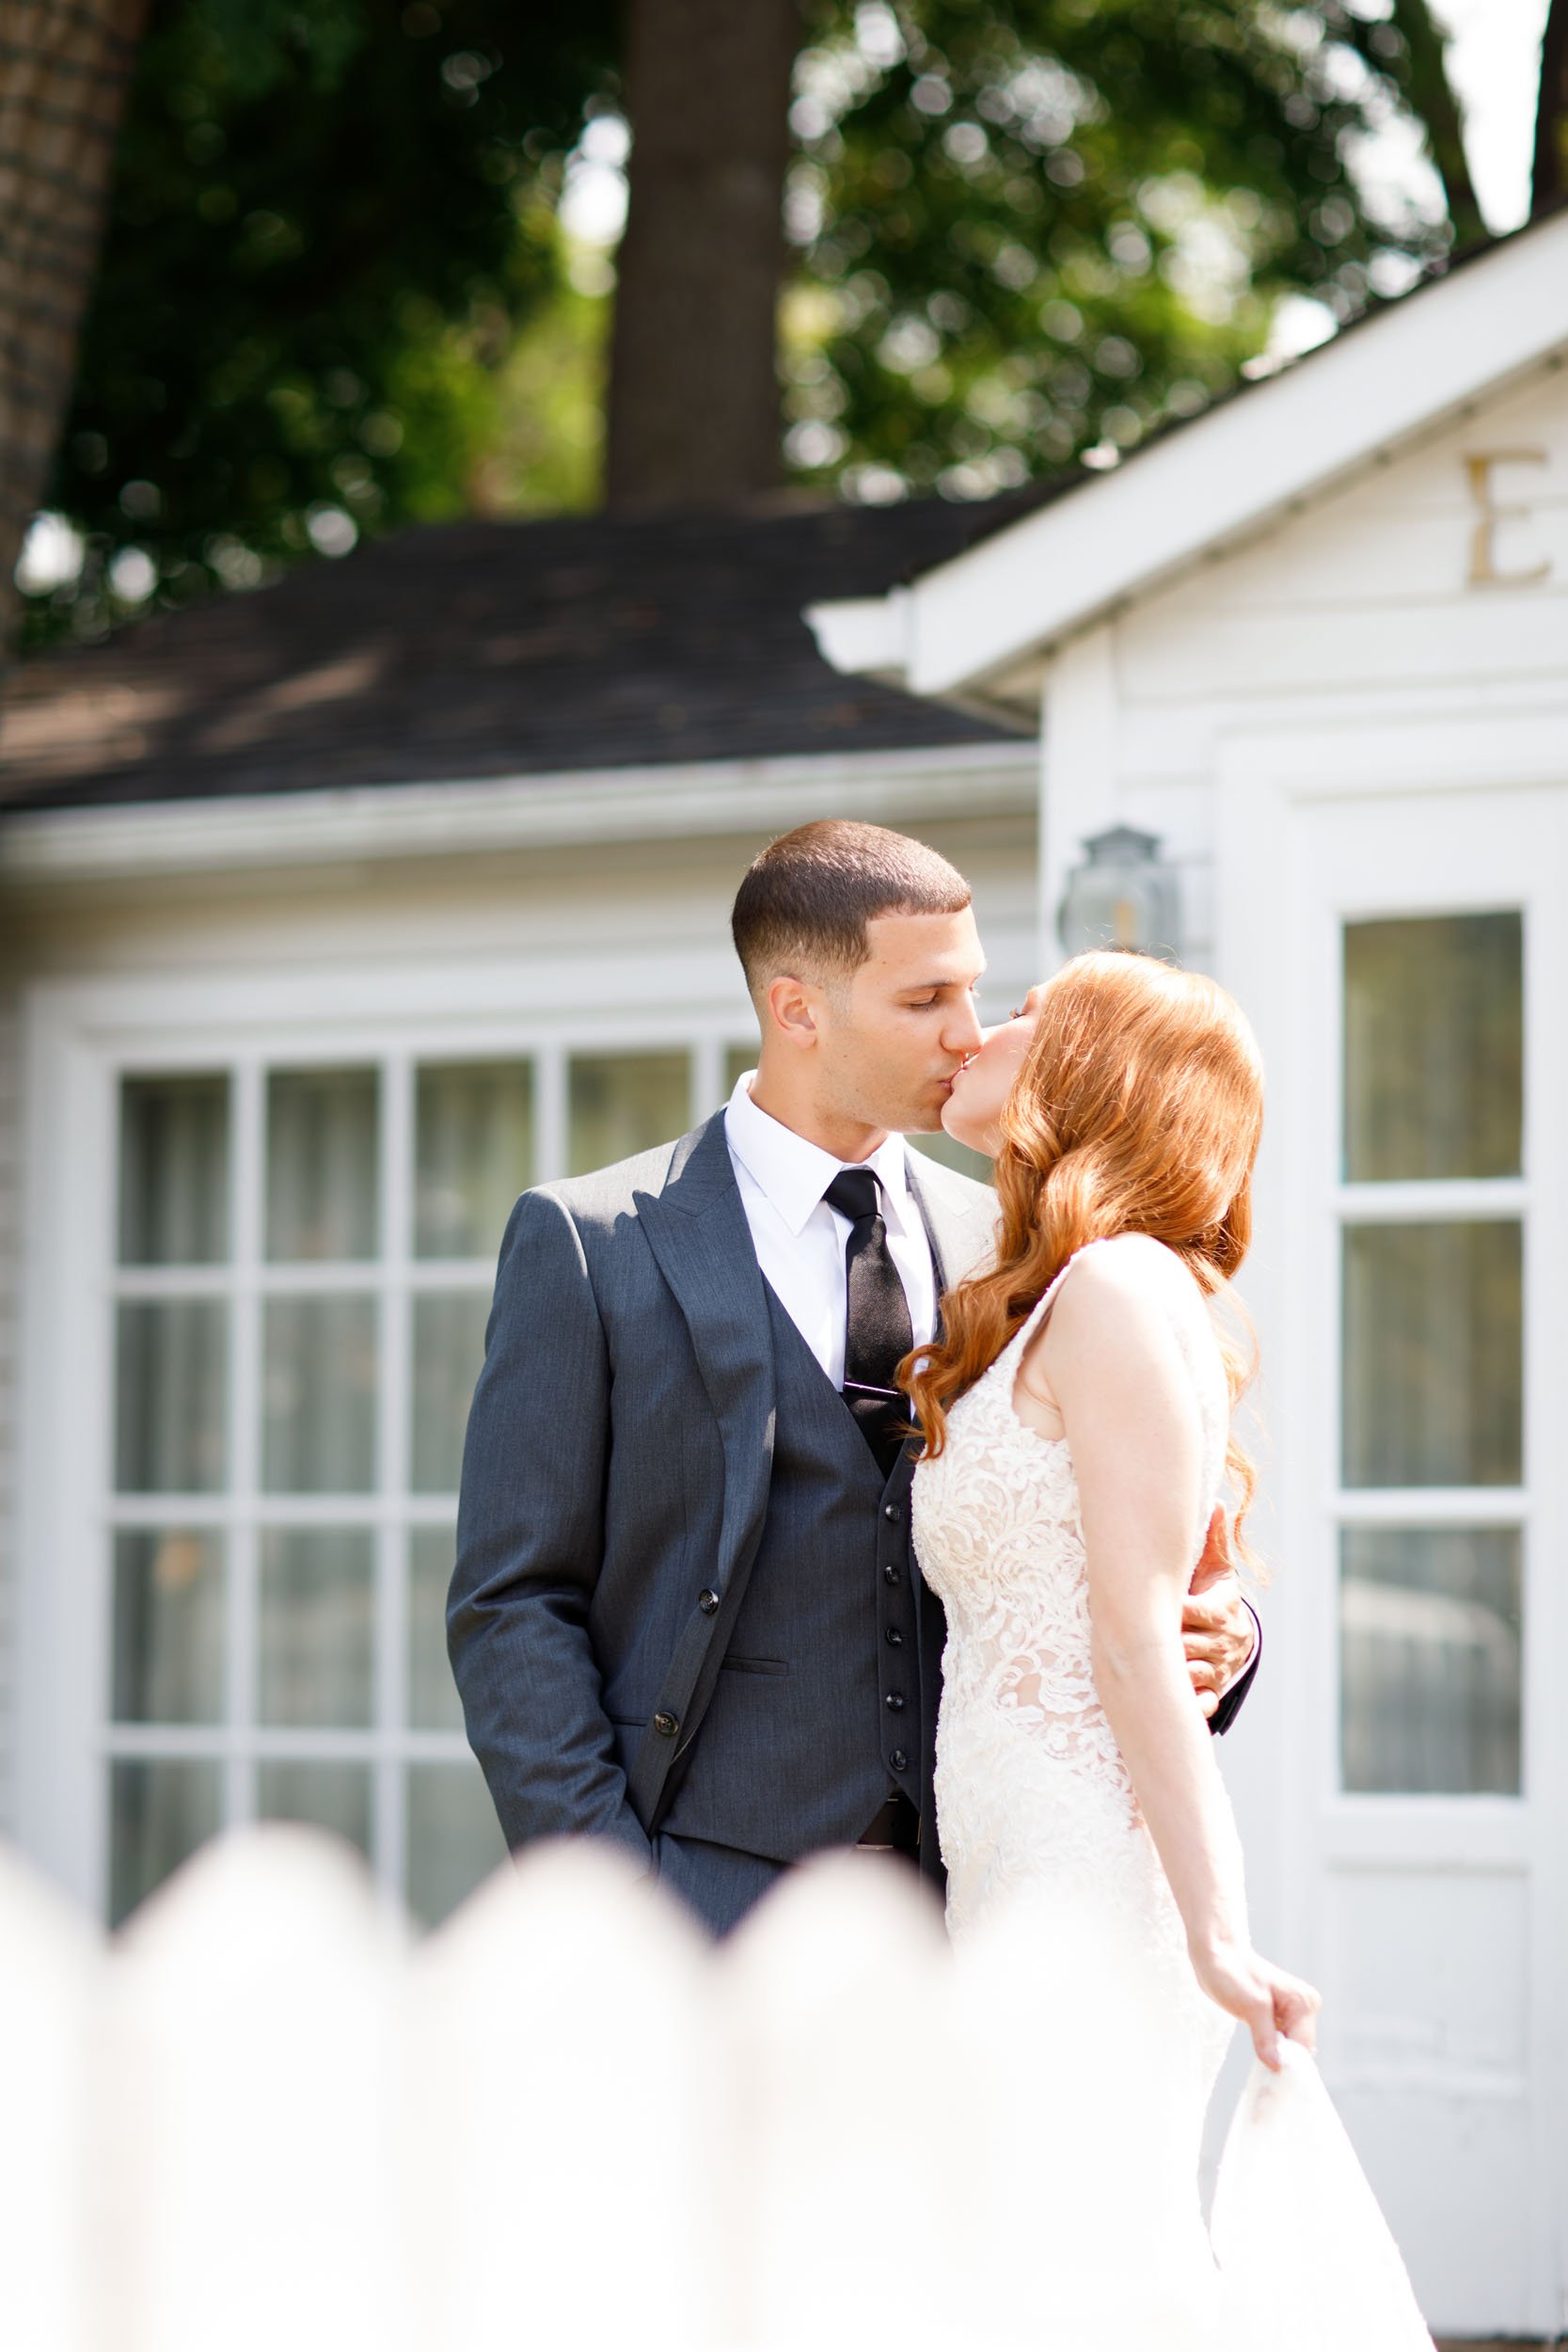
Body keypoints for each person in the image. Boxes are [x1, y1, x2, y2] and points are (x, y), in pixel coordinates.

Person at [449, 822, 1259, 1940]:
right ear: (796, 1009)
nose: (967, 1035)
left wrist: (1225, 1631)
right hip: (698, 1908)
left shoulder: (1009, 1247)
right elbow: (511, 1604)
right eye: (924, 999)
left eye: (973, 991)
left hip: (973, 1909)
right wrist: (616, 1900)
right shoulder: (592, 1245)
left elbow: (1119, 1533)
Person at [910, 951, 1433, 2348]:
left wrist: (1213, 1933)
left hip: (1088, 1872)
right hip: (1005, 1862)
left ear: (1095, 1069)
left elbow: (1141, 1632)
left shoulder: (1123, 1294)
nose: (983, 1030)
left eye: (1025, 1012)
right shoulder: (1032, 1288)